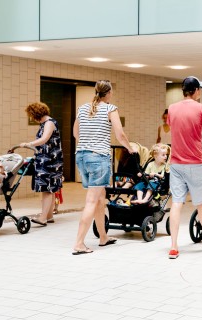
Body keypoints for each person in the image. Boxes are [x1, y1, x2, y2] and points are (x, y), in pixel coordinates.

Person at [72, 80, 136, 255]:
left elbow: (75, 133)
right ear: (109, 93)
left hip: (81, 156)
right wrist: (130, 148)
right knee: (92, 201)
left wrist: (88, 142)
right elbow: (120, 134)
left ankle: (103, 237)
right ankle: (79, 244)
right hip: (98, 157)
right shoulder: (110, 109)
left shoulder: (83, 108)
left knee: (100, 198)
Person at [167, 76, 202, 259]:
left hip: (176, 163)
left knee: (176, 203)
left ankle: (174, 247)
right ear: (196, 91)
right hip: (195, 163)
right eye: (200, 89)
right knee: (201, 202)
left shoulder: (172, 108)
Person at [20, 102, 64, 227]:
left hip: (49, 161)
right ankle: (49, 216)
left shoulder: (49, 123)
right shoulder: (47, 123)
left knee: (47, 189)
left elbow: (44, 139)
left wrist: (29, 144)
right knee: (49, 189)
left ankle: (43, 217)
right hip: (48, 159)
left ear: (35, 114)